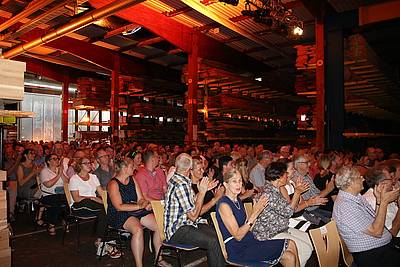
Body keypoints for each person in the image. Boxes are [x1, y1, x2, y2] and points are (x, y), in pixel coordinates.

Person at [217, 167, 300, 266]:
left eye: (240, 181)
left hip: (249, 241)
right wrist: (255, 213)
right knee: (289, 249)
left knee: (290, 252)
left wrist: (258, 212)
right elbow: (238, 236)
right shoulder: (224, 205)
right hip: (238, 248)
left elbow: (249, 227)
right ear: (226, 184)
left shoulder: (237, 201)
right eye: (234, 181)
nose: (238, 184)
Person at [164, 153, 225, 267]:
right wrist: (202, 192)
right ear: (189, 169)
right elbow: (193, 216)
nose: (202, 170)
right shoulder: (181, 185)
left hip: (186, 224)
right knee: (213, 241)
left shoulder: (179, 180)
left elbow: (190, 202)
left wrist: (205, 189)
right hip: (177, 230)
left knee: (218, 236)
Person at [333, 166, 400, 267]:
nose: (363, 179)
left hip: (382, 248)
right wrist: (384, 202)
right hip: (372, 254)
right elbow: (377, 232)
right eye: (359, 177)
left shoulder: (355, 197)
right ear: (350, 182)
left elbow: (375, 221)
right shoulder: (345, 206)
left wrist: (379, 201)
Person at [107, 158, 170, 267]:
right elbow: (118, 207)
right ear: (124, 168)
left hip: (135, 210)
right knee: (138, 230)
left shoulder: (132, 179)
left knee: (159, 225)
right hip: (119, 214)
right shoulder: (113, 184)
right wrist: (140, 206)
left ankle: (158, 259)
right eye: (132, 166)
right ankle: (139, 265)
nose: (135, 168)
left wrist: (145, 204)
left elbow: (140, 198)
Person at [252, 162, 313, 267]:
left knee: (310, 240)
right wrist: (297, 193)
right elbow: (289, 212)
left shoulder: (275, 190)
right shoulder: (269, 194)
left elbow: (289, 209)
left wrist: (297, 192)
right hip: (269, 233)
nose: (287, 175)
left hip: (280, 228)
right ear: (280, 177)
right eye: (285, 173)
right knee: (305, 248)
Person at [69, 158, 112, 257]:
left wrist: (106, 200)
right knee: (103, 209)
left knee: (107, 209)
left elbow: (101, 192)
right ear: (80, 166)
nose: (89, 165)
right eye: (86, 163)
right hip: (79, 205)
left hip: (92, 203)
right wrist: (93, 198)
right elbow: (76, 198)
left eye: (90, 162)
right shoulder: (74, 179)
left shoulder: (93, 177)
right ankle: (100, 241)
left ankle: (100, 240)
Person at [291, 154, 335, 224]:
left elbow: (317, 193)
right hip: (309, 211)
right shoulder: (298, 179)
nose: (309, 164)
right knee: (332, 222)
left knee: (336, 216)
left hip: (316, 208)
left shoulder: (306, 176)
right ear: (299, 164)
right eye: (307, 162)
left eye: (309, 162)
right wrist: (329, 188)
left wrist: (327, 189)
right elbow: (312, 200)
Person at [363, 167, 400, 237]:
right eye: (391, 178)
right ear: (383, 184)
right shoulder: (372, 201)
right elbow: (392, 233)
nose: (393, 181)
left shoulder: (386, 193)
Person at [39, 154, 68, 235]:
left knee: (70, 201)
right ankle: (51, 224)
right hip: (49, 195)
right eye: (54, 159)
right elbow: (48, 185)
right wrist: (58, 175)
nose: (57, 160)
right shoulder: (44, 171)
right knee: (56, 202)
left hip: (61, 194)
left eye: (57, 158)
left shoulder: (60, 170)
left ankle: (65, 220)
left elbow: (67, 182)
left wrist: (61, 173)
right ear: (48, 161)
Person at [190, 156, 224, 221]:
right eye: (199, 169)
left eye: (203, 168)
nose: (203, 171)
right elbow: (199, 212)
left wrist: (218, 194)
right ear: (191, 172)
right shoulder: (190, 188)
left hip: (216, 216)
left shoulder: (204, 183)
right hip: (205, 222)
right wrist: (215, 199)